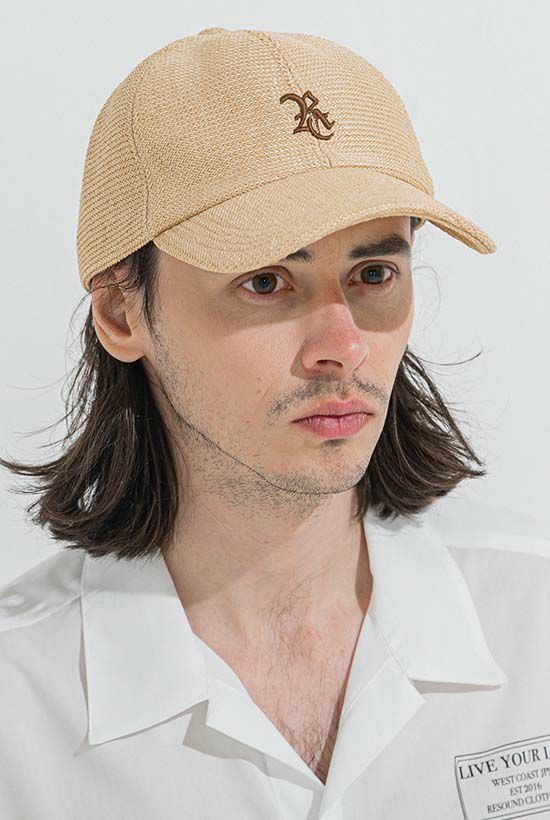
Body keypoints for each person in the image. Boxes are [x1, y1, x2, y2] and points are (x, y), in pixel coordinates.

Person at [1, 26, 548, 820]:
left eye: (373, 272)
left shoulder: (534, 620)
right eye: (266, 281)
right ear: (122, 312)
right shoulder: (20, 710)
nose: (344, 346)